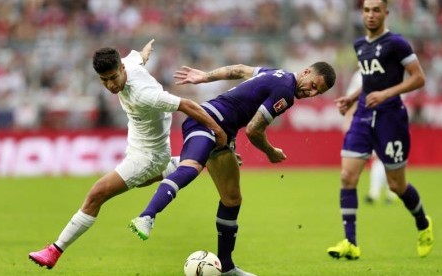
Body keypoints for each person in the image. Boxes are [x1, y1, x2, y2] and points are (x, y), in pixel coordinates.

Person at [28, 39, 227, 269]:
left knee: (97, 193)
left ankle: (54, 250)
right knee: (138, 183)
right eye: (104, 80)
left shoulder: (145, 94)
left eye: (113, 78)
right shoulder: (128, 63)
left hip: (149, 155)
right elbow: (139, 57)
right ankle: (189, 163)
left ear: (122, 69)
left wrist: (218, 130)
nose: (111, 85)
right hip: (137, 143)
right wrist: (146, 50)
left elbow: (187, 105)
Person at [128, 62, 336, 276]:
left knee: (232, 198)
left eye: (317, 92)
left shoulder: (275, 73)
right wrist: (271, 151)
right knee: (191, 169)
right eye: (313, 85)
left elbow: (238, 70)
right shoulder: (285, 92)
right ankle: (147, 216)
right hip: (206, 122)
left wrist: (205, 76)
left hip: (222, 135)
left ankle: (226, 267)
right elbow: (254, 130)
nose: (311, 92)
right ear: (306, 71)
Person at [327, 0, 433, 260]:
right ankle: (350, 242)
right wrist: (352, 98)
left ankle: (422, 223)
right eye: (366, 10)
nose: (371, 15)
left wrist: (386, 94)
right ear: (361, 13)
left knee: (397, 185)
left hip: (391, 119)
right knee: (346, 177)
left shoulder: (397, 43)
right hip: (363, 115)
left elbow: (418, 77)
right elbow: (370, 78)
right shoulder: (360, 45)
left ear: (386, 13)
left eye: (376, 10)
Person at [343, 70, 395, 205]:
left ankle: (378, 193)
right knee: (381, 157)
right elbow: (352, 100)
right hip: (366, 121)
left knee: (381, 156)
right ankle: (387, 192)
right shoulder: (360, 75)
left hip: (382, 119)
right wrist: (349, 121)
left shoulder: (383, 72)